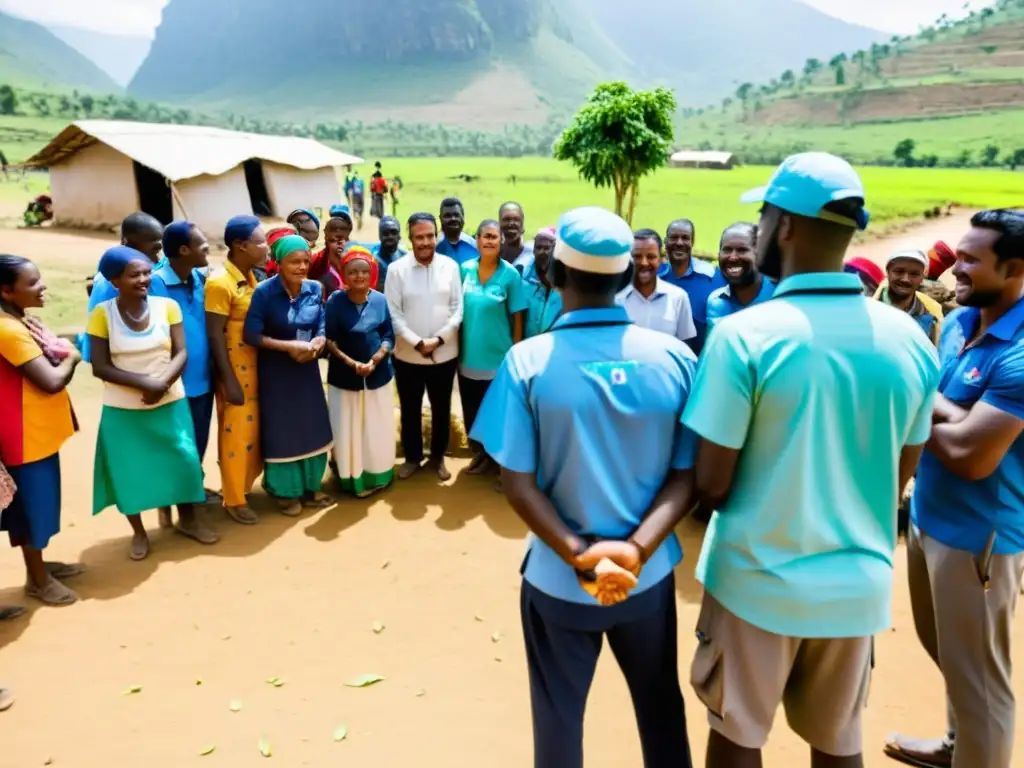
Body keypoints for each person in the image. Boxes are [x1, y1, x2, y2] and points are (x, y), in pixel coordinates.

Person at [682, 153, 940, 768]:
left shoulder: (746, 336)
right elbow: (899, 474)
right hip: (856, 588)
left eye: (764, 215)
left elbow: (712, 484)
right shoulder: (911, 340)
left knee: (738, 734)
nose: (760, 229)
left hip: (756, 584)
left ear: (786, 225)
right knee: (838, 741)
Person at [471, 206, 699, 768]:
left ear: (553, 277)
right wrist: (635, 549)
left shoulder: (528, 363)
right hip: (646, 579)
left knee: (557, 722)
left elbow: (517, 486)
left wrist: (579, 553)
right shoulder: (674, 358)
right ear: (626, 278)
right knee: (661, 709)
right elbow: (688, 475)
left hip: (558, 581)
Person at [884, 209, 1024, 768]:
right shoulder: (963, 322)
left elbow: (970, 456)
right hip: (930, 517)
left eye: (970, 260)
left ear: (1014, 268)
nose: (954, 268)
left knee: (983, 680)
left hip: (979, 538)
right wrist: (951, 410)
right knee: (948, 652)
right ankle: (956, 745)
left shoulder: (1019, 352)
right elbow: (953, 426)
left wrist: (919, 394)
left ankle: (977, 751)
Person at [88, 246, 214, 561]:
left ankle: (188, 521)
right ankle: (140, 533)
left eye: (146, 272)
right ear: (115, 280)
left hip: (170, 402)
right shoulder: (102, 314)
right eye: (135, 275)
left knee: (184, 462)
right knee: (130, 471)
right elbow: (100, 366)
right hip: (124, 411)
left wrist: (162, 384)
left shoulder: (166, 306)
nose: (144, 279)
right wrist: (146, 384)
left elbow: (181, 352)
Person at [0, 255, 84, 605]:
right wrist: (72, 358)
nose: (42, 286)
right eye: (32, 283)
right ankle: (38, 579)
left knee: (39, 504)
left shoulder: (17, 320)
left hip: (35, 431)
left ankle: (40, 565)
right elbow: (50, 381)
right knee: (32, 508)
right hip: (21, 435)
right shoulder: (8, 330)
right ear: (6, 291)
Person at [243, 235, 333, 516]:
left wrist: (319, 342)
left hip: (306, 371)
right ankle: (285, 491)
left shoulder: (314, 289)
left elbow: (321, 323)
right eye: (295, 261)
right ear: (278, 262)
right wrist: (288, 347)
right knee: (283, 430)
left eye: (306, 261)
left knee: (313, 425)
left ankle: (311, 486)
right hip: (277, 373)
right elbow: (251, 335)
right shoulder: (264, 293)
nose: (302, 266)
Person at [384, 212, 464, 482]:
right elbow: (393, 313)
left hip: (444, 354)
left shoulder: (450, 267)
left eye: (430, 236)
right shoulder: (397, 270)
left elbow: (457, 310)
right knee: (409, 409)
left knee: (442, 409)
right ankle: (412, 458)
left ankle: (438, 457)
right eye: (420, 237)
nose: (426, 242)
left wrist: (438, 340)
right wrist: (418, 342)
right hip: (407, 355)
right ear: (411, 238)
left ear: (436, 235)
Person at [206, 216, 268, 525]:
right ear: (240, 246)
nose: (267, 247)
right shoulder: (220, 283)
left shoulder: (252, 276)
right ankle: (233, 499)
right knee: (235, 435)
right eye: (261, 242)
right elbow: (215, 335)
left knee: (252, 434)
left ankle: (244, 486)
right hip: (236, 372)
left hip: (256, 369)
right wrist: (228, 380)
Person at [149, 222, 218, 501]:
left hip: (203, 379)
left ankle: (193, 487)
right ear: (183, 250)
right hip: (175, 383)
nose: (208, 250)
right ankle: (179, 502)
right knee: (178, 445)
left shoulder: (200, 278)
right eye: (203, 246)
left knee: (198, 440)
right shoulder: (156, 283)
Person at [325, 249, 396, 497]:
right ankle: (350, 478)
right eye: (353, 272)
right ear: (344, 274)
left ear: (372, 274)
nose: (359, 276)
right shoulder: (335, 302)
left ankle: (378, 474)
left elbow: (388, 335)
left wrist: (375, 360)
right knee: (347, 429)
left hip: (378, 377)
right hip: (345, 379)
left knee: (377, 429)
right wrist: (352, 363)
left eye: (364, 271)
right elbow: (329, 340)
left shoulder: (380, 300)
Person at [459, 219, 527, 478]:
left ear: (501, 242)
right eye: (484, 236)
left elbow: (518, 317)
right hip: (468, 356)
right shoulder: (464, 270)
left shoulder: (510, 275)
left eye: (493, 237)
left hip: (499, 359)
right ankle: (482, 456)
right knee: (473, 411)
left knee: (498, 414)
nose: (488, 241)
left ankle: (500, 463)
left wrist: (516, 354)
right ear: (476, 240)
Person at [82, 212, 165, 363]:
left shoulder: (120, 269)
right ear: (127, 243)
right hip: (119, 357)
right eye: (153, 251)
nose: (157, 258)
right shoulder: (119, 280)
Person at [616, 229, 697, 344]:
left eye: (651, 257)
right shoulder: (616, 300)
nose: (644, 263)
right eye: (637, 256)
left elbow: (686, 345)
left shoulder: (678, 297)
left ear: (660, 260)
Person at [658, 218, 725, 354]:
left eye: (685, 238)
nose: (679, 243)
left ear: (692, 242)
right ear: (665, 242)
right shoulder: (656, 276)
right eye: (674, 238)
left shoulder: (713, 276)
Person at [705, 222, 775, 332]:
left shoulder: (778, 296)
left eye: (742, 250)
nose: (732, 257)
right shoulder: (716, 301)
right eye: (727, 250)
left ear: (759, 254)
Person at [873, 249, 944, 345]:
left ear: (922, 278)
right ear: (887, 272)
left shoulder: (932, 317)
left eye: (914, 274)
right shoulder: (869, 311)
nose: (905, 279)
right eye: (899, 271)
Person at [522, 227, 562, 338]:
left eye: (546, 248)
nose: (542, 252)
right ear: (533, 250)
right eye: (538, 248)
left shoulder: (565, 280)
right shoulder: (524, 278)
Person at [436, 198, 479, 265]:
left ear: (463, 217)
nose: (453, 219)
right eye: (447, 216)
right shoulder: (433, 246)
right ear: (440, 218)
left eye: (456, 215)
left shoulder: (474, 245)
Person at [371, 215, 407, 292]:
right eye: (385, 233)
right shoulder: (373, 260)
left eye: (393, 232)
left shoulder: (406, 257)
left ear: (399, 235)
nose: (390, 236)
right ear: (379, 236)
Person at [499, 201, 533, 270]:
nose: (511, 223)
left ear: (522, 224)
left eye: (516, 219)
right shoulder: (492, 254)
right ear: (499, 223)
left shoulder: (532, 256)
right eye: (506, 219)